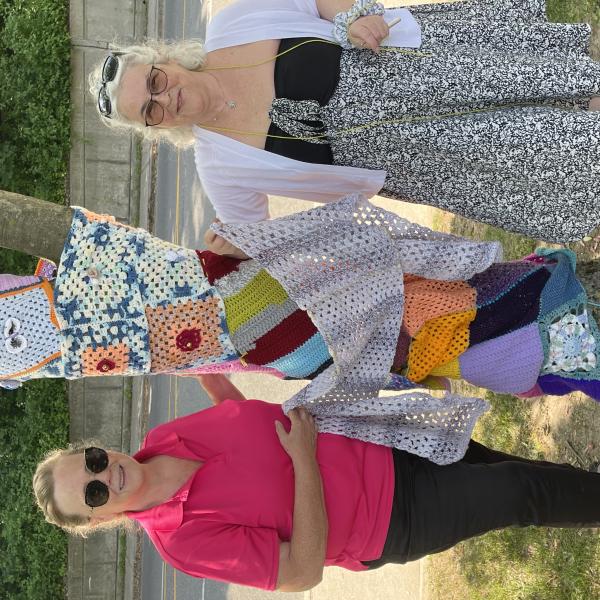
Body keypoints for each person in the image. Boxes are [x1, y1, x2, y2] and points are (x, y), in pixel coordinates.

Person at [2, 195, 600, 461]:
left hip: (251, 308)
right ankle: (542, 328)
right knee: (421, 329)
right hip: (257, 330)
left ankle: (546, 322)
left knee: (426, 314)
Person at [89, 0, 600, 242]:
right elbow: (252, 237)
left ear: (164, 60)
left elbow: (314, 0)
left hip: (419, 68)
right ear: (155, 128)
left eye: (154, 81)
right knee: (559, 148)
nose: (166, 98)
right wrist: (226, 249)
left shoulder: (232, 25)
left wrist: (351, 17)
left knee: (554, 87)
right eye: (150, 112)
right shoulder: (219, 168)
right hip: (424, 157)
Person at [33, 386, 600, 591]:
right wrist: (303, 462)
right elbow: (302, 571)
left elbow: (237, 416)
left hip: (385, 442)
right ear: (102, 520)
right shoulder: (182, 543)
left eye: (91, 461)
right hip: (391, 519)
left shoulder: (162, 435)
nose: (104, 474)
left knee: (523, 473)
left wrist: (205, 367)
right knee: (518, 491)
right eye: (93, 494)